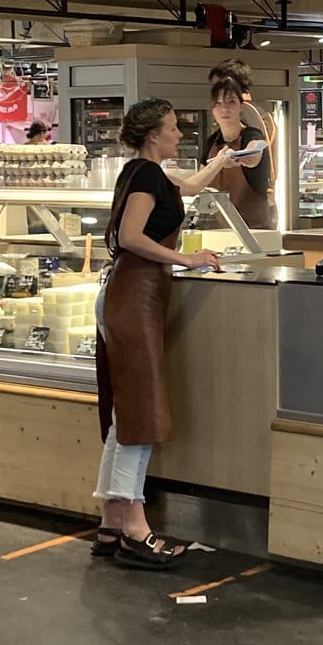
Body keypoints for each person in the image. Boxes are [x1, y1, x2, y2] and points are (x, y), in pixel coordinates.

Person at [92, 98, 237, 569]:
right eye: (174, 128)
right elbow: (131, 236)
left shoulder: (141, 170)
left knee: (125, 414)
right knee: (142, 414)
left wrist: (226, 156)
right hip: (134, 296)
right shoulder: (149, 175)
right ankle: (136, 529)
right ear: (154, 134)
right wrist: (187, 259)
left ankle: (111, 522)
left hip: (128, 293)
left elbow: (191, 185)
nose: (179, 133)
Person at [201, 69, 273, 228]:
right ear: (212, 109)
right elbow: (199, 180)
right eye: (218, 104)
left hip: (254, 230)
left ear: (241, 106)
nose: (224, 109)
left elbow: (254, 153)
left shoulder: (252, 135)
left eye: (231, 102)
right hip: (216, 230)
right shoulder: (211, 142)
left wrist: (238, 157)